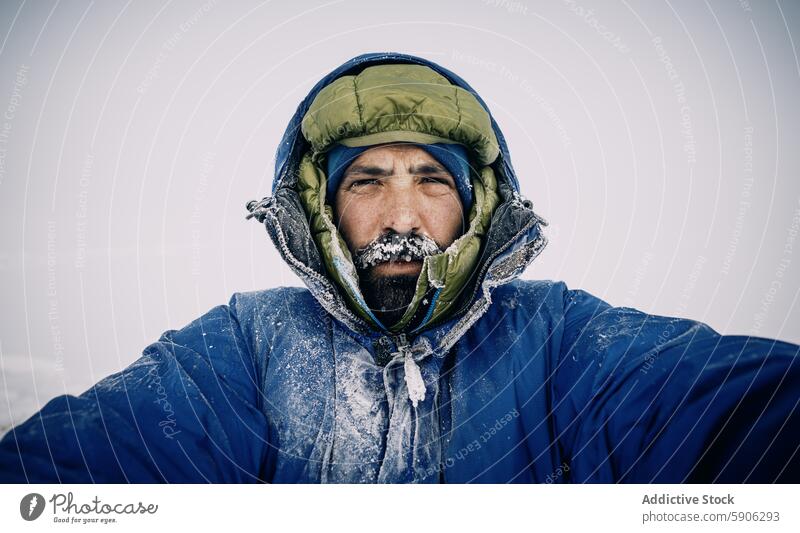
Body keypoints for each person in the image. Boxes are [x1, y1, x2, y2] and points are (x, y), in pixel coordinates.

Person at [1, 52, 798, 483]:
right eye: (366, 180)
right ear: (323, 208)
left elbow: (728, 412)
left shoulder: (559, 340)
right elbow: (76, 472)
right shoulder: (250, 344)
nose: (402, 217)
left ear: (476, 206)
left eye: (431, 180)